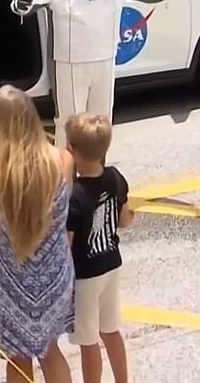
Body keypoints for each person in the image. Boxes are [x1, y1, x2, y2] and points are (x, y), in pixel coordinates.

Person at [9, 0, 200, 149]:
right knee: (69, 124)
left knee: (102, 123)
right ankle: (66, 179)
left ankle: (96, 173)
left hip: (105, 60)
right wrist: (22, 3)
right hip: (69, 63)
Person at [0, 85, 76, 383]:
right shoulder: (62, 161)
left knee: (16, 358)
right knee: (51, 352)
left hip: (13, 274)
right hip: (55, 272)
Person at [64, 112, 134, 383]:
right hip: (111, 264)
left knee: (88, 341)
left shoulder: (74, 195)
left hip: (84, 275)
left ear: (73, 151)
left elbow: (67, 244)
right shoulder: (115, 178)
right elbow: (125, 219)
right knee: (111, 329)